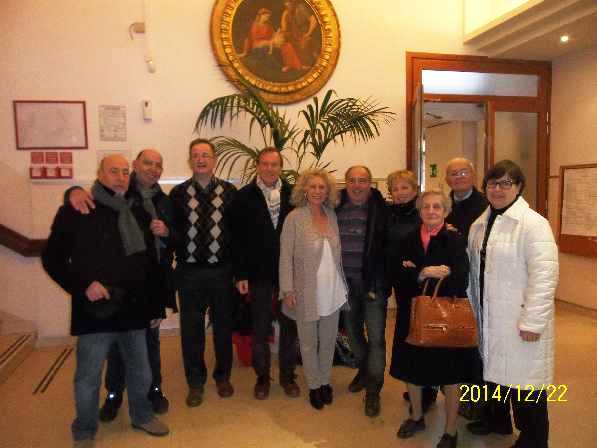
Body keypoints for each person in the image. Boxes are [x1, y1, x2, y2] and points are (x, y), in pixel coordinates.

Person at [42, 155, 169, 446]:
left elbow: (149, 263)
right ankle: (84, 430)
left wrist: (154, 306)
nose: (121, 177)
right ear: (99, 173)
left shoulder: (137, 210)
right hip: (95, 311)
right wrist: (83, 285)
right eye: (113, 171)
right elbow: (52, 258)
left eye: (125, 172)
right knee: (88, 378)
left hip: (134, 308)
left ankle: (142, 415)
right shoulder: (78, 209)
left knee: (141, 372)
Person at [65, 149, 177, 421]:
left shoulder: (163, 201)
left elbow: (167, 248)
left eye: (158, 165)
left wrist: (167, 233)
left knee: (148, 351)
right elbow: (86, 200)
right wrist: (72, 191)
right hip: (111, 297)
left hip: (147, 290)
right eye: (147, 163)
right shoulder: (119, 197)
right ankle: (113, 395)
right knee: (112, 354)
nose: (153, 169)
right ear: (136, 165)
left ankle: (152, 394)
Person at [468, 160, 558, 448]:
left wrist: (533, 322)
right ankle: (498, 421)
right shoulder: (480, 223)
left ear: (519, 187)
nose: (498, 189)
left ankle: (534, 440)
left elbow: (545, 277)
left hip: (519, 319)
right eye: (492, 183)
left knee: (526, 385)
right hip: (489, 315)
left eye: (506, 183)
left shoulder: (533, 224)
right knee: (495, 375)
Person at [390, 189, 479, 448]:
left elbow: (462, 277)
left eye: (437, 207)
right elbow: (396, 273)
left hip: (445, 317)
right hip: (411, 314)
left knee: (451, 374)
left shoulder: (455, 239)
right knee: (412, 369)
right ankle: (416, 417)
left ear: (446, 211)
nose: (431, 211)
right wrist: (423, 272)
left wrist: (437, 275)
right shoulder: (407, 239)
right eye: (426, 206)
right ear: (419, 211)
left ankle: (450, 431)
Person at [169, 138, 237, 407]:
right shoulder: (178, 194)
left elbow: (238, 234)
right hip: (189, 272)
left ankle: (223, 377)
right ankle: (195, 382)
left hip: (222, 271)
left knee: (223, 328)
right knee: (191, 331)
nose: (200, 159)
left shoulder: (230, 191)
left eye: (205, 155)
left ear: (214, 160)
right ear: (190, 160)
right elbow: (172, 233)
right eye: (195, 155)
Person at [229, 147, 300, 400]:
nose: (269, 168)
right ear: (258, 166)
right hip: (258, 274)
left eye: (274, 164)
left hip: (288, 274)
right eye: (265, 164)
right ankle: (262, 377)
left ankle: (287, 376)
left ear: (281, 167)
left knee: (289, 327)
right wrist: (240, 275)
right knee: (259, 328)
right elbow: (236, 240)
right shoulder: (243, 197)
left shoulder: (294, 195)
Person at [279, 169, 347, 410]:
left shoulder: (331, 215)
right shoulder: (294, 218)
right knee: (308, 342)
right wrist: (287, 290)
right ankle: (314, 385)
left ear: (328, 192)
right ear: (304, 190)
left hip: (332, 290)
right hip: (306, 291)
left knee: (328, 340)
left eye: (322, 187)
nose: (317, 191)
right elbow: (285, 256)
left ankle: (325, 380)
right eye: (313, 186)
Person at [336, 165, 388, 417]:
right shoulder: (335, 207)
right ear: (346, 182)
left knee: (376, 338)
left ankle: (373, 391)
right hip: (345, 285)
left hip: (372, 285)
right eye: (352, 180)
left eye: (363, 180)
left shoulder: (382, 209)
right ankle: (365, 370)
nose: (357, 185)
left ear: (370, 183)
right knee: (354, 334)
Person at [385, 170, 437, 412]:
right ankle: (416, 385)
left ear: (415, 190)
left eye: (405, 187)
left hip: (422, 286)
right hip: (401, 285)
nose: (400, 192)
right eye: (395, 188)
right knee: (408, 338)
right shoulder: (389, 215)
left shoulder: (424, 214)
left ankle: (427, 391)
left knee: (424, 338)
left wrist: (415, 266)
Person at [445, 157, 488, 239]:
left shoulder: (486, 204)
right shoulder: (442, 205)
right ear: (447, 180)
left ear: (474, 176)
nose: (459, 177)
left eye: (464, 173)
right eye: (454, 174)